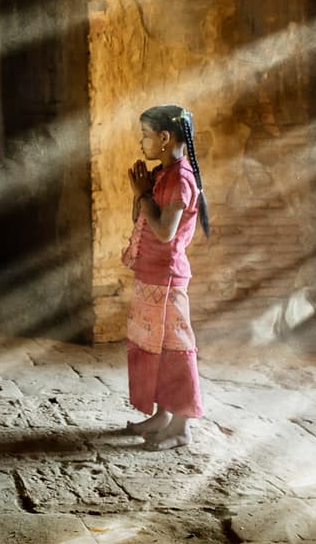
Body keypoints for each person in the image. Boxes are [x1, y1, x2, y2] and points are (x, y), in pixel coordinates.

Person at [120, 104, 210, 450]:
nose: (141, 142)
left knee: (176, 349)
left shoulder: (182, 179)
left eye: (145, 135)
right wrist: (141, 191)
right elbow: (139, 218)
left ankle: (181, 428)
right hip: (150, 274)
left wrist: (143, 194)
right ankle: (162, 415)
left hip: (168, 279)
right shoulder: (162, 173)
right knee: (153, 346)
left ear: (163, 137)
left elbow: (164, 232)